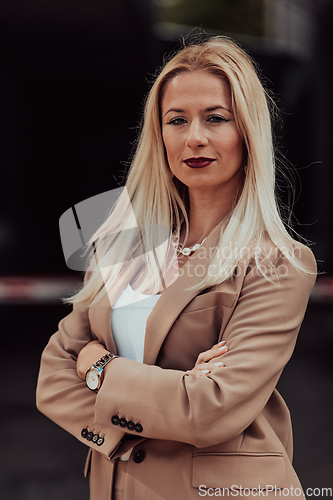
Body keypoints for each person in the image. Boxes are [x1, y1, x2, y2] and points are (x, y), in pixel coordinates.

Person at [36, 36, 317, 500]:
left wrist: (100, 368)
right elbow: (52, 376)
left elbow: (211, 410)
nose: (195, 138)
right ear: (159, 134)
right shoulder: (122, 245)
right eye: (177, 120)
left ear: (247, 131)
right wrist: (171, 396)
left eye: (216, 118)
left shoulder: (278, 262)